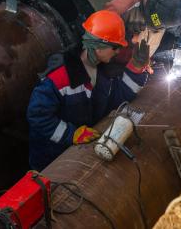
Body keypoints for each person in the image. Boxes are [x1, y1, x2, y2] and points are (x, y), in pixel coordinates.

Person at [27, 10, 150, 170]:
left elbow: (118, 99)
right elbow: (37, 116)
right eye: (115, 47)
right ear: (98, 47)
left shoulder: (104, 72)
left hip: (81, 154)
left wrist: (136, 68)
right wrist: (72, 134)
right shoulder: (60, 78)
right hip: (51, 159)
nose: (118, 52)